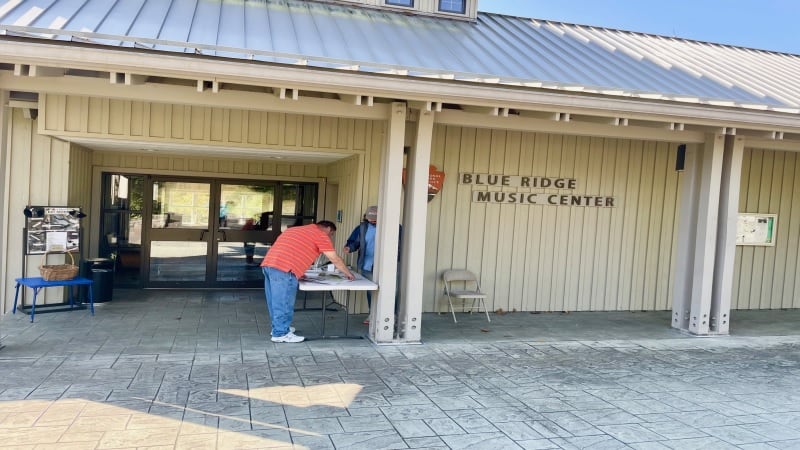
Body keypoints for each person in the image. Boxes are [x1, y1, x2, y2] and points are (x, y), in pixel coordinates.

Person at [260, 220, 355, 343]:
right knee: (284, 302)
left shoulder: (294, 230)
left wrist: (298, 271)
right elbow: (334, 259)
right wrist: (349, 274)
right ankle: (281, 334)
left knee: (275, 301)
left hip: (269, 265)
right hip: (284, 270)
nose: (330, 237)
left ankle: (278, 328)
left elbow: (290, 250)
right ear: (327, 229)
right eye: (331, 234)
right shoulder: (320, 235)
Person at [343, 205, 402, 324]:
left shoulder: (396, 227)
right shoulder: (362, 227)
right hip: (368, 264)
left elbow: (402, 243)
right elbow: (354, 242)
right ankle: (373, 314)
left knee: (392, 291)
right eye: (370, 218)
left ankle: (392, 315)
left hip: (388, 265)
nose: (372, 220)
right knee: (371, 291)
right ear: (366, 217)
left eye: (375, 218)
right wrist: (349, 248)